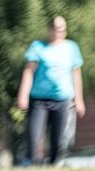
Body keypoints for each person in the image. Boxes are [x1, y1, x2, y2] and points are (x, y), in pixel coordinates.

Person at [16, 16, 86, 164]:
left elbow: (76, 75)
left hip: (62, 100)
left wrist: (79, 100)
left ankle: (53, 165)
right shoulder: (38, 47)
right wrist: (23, 95)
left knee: (58, 142)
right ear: (49, 29)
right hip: (39, 101)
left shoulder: (71, 48)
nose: (58, 32)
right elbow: (28, 71)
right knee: (34, 136)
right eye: (55, 29)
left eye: (61, 29)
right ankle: (31, 162)